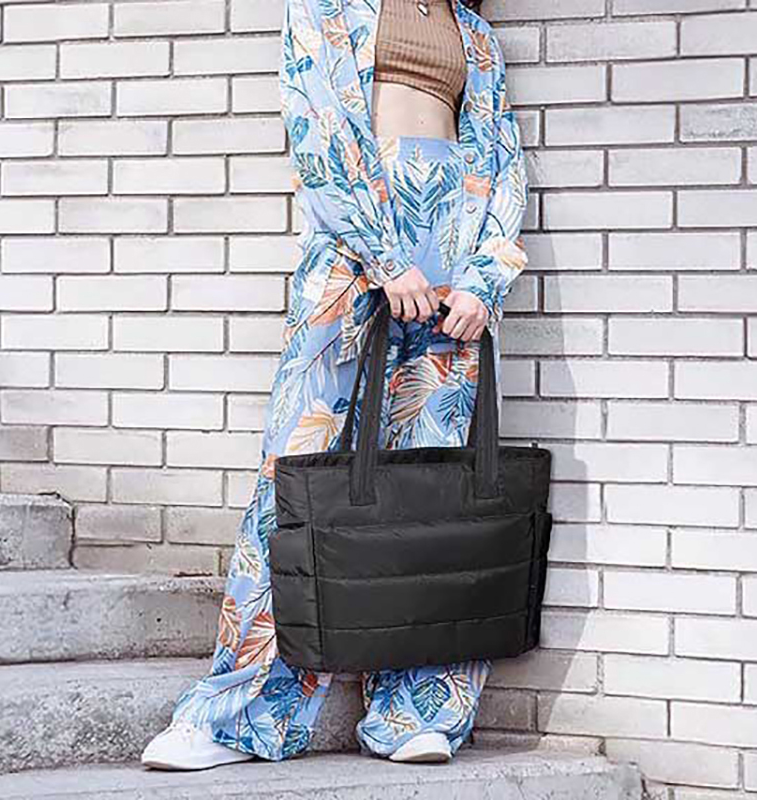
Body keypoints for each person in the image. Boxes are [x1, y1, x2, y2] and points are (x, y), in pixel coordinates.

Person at [141, 0, 529, 770]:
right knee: (297, 476)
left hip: (452, 271)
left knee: (430, 487)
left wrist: (485, 279)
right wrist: (386, 257)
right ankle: (239, 714)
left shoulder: (474, 32)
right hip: (352, 262)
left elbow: (500, 158)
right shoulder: (325, 9)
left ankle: (415, 708)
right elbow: (318, 131)